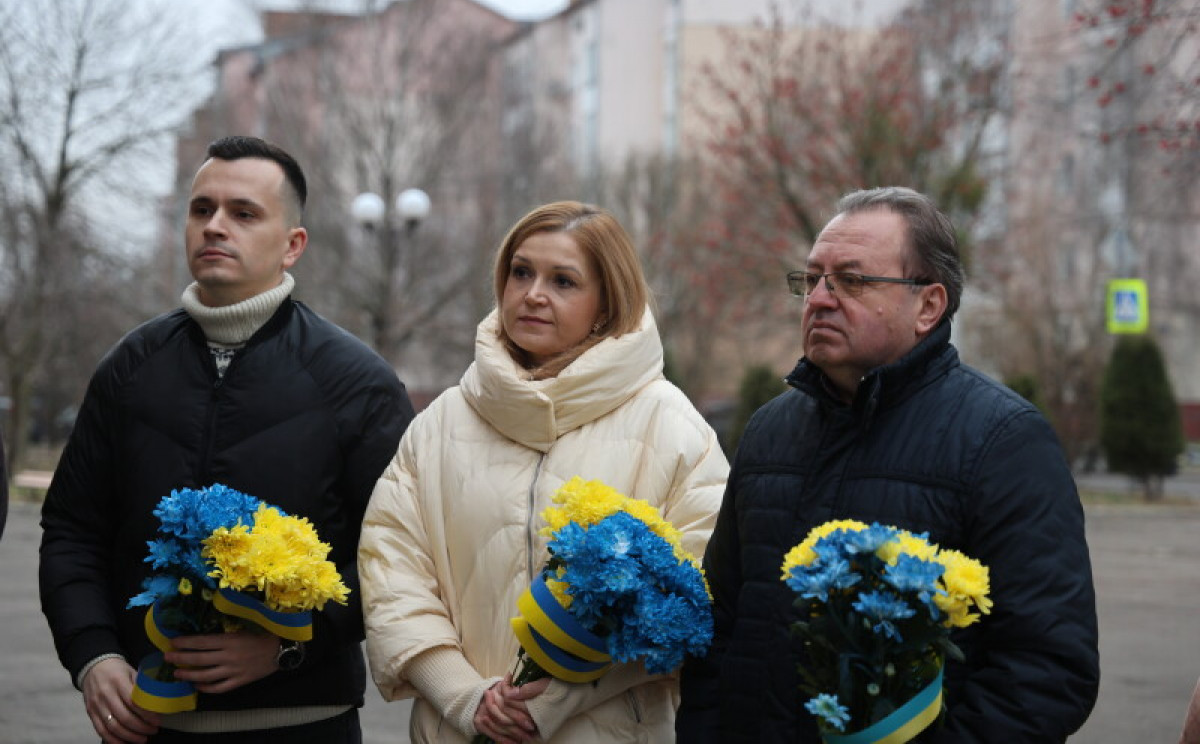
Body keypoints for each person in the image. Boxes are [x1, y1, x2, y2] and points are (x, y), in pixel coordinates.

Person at [676, 186, 1100, 742]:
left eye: (851, 280)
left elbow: (1046, 670)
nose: (819, 299)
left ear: (928, 306)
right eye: (811, 279)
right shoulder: (768, 432)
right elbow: (719, 627)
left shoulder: (1003, 441)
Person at [39, 135, 415, 743]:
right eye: (201, 209)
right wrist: (93, 655)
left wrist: (287, 646)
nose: (215, 226)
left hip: (304, 725)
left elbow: (394, 556)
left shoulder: (356, 381)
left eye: (243, 213)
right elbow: (72, 530)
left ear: (292, 245)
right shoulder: (130, 366)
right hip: (147, 724)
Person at [358, 201, 728, 743]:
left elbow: (695, 595)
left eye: (563, 281)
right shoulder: (440, 423)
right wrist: (464, 695)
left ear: (606, 303)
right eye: (521, 272)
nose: (533, 294)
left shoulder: (672, 427)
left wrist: (552, 701)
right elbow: (392, 571)